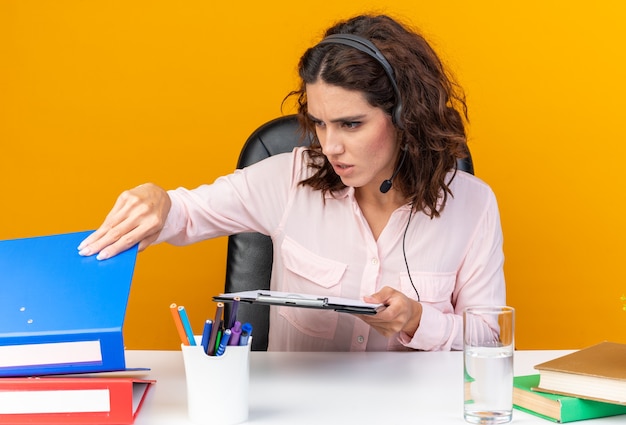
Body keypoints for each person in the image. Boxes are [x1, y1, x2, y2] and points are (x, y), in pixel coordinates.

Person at [78, 14, 505, 352]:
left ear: (405, 118)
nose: (330, 145)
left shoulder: (474, 205)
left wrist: (417, 321)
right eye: (319, 123)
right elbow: (185, 212)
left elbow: (492, 337)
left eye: (351, 124)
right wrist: (159, 201)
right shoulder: (288, 178)